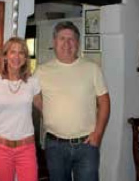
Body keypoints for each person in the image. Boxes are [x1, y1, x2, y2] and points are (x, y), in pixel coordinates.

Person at [35, 21, 110, 181]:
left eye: (71, 39)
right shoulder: (41, 71)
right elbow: (31, 96)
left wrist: (98, 133)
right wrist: (47, 109)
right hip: (54, 145)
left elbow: (104, 102)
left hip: (86, 145)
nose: (67, 43)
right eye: (62, 38)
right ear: (54, 42)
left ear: (77, 43)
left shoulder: (92, 69)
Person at [0, 37, 43, 181]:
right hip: (1, 148)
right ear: (5, 56)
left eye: (21, 53)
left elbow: (46, 109)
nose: (16, 57)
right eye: (12, 52)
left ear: (25, 58)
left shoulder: (32, 83)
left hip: (26, 148)